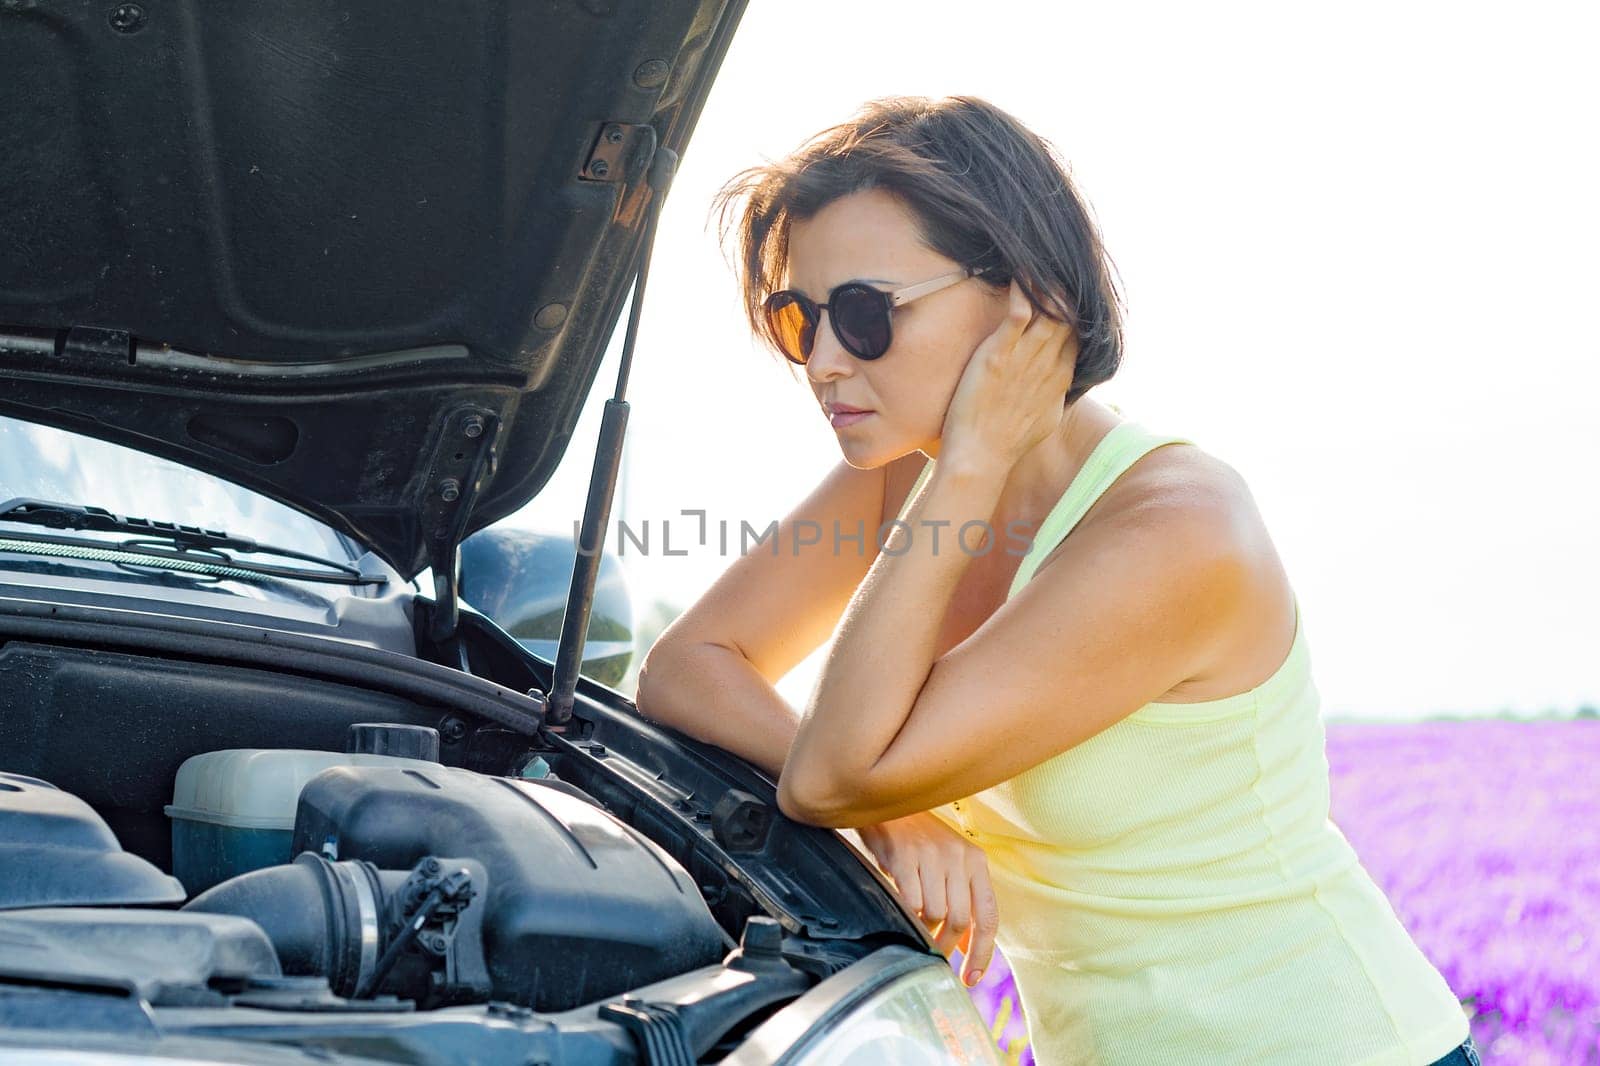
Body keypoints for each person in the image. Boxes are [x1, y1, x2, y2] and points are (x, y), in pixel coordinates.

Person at [633, 95, 1479, 1066]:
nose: (823, 362)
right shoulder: (897, 478)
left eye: (866, 315)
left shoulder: (1174, 531)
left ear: (1023, 300)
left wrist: (965, 467)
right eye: (798, 320)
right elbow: (687, 666)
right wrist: (895, 810)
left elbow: (831, 772)